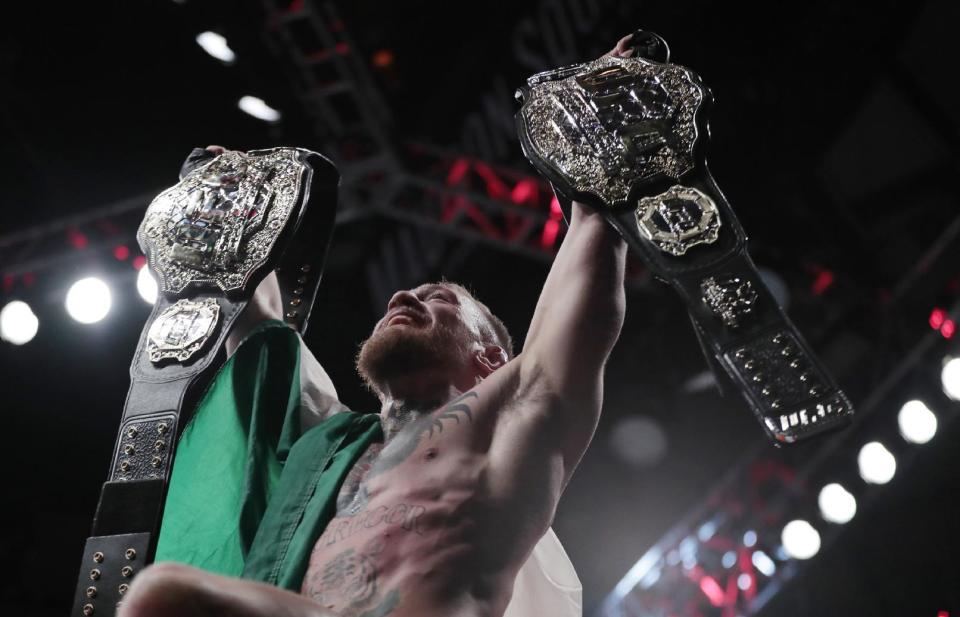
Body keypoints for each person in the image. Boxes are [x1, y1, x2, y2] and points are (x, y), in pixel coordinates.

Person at [118, 35, 635, 617]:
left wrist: (603, 136)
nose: (400, 296)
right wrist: (219, 205)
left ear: (490, 358)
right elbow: (252, 320)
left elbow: (589, 251)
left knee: (162, 595)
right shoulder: (328, 447)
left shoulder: (512, 420)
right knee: (161, 598)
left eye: (437, 296)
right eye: (406, 292)